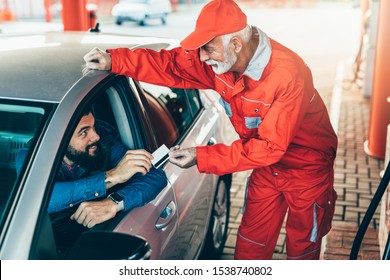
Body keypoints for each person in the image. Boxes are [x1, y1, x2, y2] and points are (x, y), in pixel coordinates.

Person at [83, 0, 337, 260]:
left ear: (236, 45)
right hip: (265, 167)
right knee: (251, 243)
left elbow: (270, 147)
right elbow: (171, 64)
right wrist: (114, 60)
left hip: (307, 169)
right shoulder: (223, 59)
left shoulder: (288, 74)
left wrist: (202, 156)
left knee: (302, 248)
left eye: (208, 48)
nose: (202, 57)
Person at [16, 107, 167, 247]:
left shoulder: (104, 141)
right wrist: (110, 177)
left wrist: (114, 203)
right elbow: (39, 198)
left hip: (105, 237)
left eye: (93, 126)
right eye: (84, 132)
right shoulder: (31, 156)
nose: (95, 136)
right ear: (59, 139)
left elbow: (155, 177)